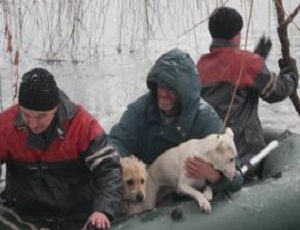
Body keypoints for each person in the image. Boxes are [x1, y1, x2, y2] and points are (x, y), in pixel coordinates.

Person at [109, 48, 243, 199]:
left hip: (186, 199)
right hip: (146, 187)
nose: (163, 93)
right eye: (160, 87)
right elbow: (117, 141)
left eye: (170, 89)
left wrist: (213, 176)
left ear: (184, 93)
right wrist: (123, 163)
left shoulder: (205, 120)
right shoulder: (140, 110)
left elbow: (237, 177)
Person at [0, 68, 122, 230]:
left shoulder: (82, 124)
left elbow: (109, 168)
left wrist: (102, 210)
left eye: (41, 116)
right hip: (24, 215)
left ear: (55, 108)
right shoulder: (6, 125)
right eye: (26, 115)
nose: (33, 124)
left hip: (77, 216)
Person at [197, 6, 299, 178]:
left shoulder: (201, 65)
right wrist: (291, 73)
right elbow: (277, 92)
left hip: (211, 151)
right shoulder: (246, 62)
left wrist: (257, 58)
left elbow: (231, 83)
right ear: (236, 35)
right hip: (242, 153)